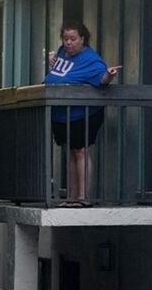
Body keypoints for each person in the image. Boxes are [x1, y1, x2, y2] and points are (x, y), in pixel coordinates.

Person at [44, 22, 122, 208]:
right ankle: (71, 196)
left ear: (82, 39)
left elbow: (101, 79)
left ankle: (82, 197)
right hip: (61, 112)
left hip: (82, 113)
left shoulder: (91, 59)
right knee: (70, 151)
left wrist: (110, 75)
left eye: (73, 39)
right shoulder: (62, 52)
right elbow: (57, 72)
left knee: (81, 150)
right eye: (65, 39)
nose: (68, 43)